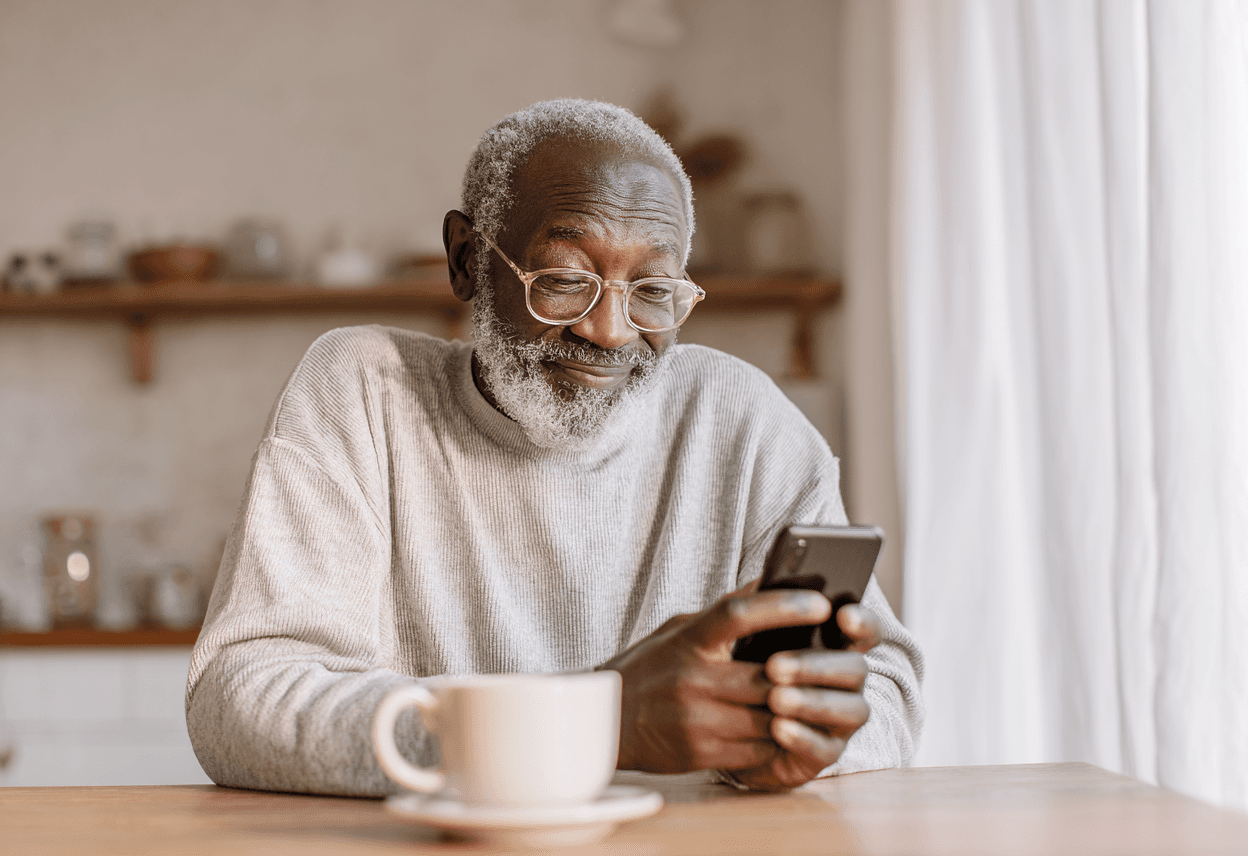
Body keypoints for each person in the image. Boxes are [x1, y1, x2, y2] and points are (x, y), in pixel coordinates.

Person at [186, 99, 923, 796]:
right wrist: (597, 721)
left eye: (653, 289)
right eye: (566, 280)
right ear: (467, 259)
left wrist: (804, 736)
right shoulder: (362, 390)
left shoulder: (743, 419)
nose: (610, 331)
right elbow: (240, 699)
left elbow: (885, 683)